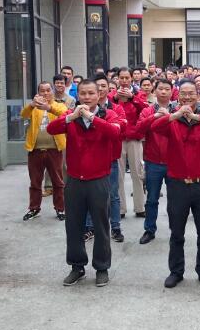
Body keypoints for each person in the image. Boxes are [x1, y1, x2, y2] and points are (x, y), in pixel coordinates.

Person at [47, 79, 122, 287]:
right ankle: (77, 266)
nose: (87, 97)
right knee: (73, 225)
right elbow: (51, 129)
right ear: (77, 95)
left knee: (101, 225)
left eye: (91, 93)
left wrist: (92, 117)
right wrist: (71, 117)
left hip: (99, 179)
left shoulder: (108, 115)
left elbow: (115, 133)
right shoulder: (70, 116)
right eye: (83, 93)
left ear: (99, 95)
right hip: (75, 180)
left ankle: (102, 267)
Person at [151, 80, 200, 289]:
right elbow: (155, 127)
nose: (188, 97)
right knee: (176, 232)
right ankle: (176, 271)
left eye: (192, 93)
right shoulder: (171, 120)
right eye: (184, 93)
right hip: (177, 184)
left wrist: (196, 117)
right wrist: (174, 115)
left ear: (198, 96)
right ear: (178, 96)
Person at [88, 74, 127, 243]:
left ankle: (115, 227)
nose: (101, 89)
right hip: (91, 158)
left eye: (104, 86)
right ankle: (89, 227)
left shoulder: (116, 109)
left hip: (111, 157)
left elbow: (120, 129)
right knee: (90, 194)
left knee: (113, 194)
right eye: (97, 86)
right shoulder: (84, 108)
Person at [21, 82, 68, 221]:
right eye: (42, 91)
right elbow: (23, 115)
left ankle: (60, 209)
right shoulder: (33, 107)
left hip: (54, 150)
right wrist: (31, 105)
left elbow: (64, 114)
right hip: (35, 150)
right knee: (35, 182)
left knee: (58, 181)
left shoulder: (58, 105)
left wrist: (49, 107)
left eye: (48, 90)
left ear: (52, 91)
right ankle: (34, 208)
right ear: (38, 93)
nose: (46, 93)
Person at [134, 79, 173, 244]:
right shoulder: (147, 111)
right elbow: (138, 130)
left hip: (174, 162)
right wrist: (154, 116)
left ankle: (176, 230)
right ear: (154, 91)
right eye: (160, 89)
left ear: (172, 91)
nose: (163, 92)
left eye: (167, 89)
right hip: (153, 161)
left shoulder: (177, 110)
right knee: (151, 199)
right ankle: (149, 230)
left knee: (175, 200)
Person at [113, 67, 147, 218]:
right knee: (118, 175)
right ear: (118, 79)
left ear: (132, 78)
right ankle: (121, 208)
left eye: (127, 78)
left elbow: (145, 109)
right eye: (122, 78)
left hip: (134, 138)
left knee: (137, 174)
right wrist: (115, 99)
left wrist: (132, 98)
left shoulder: (139, 94)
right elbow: (107, 109)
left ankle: (140, 207)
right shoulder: (112, 95)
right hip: (118, 139)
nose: (124, 81)